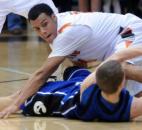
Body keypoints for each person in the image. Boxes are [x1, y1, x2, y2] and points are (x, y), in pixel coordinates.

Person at [1, 3, 142, 118]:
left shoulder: (67, 32)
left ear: (53, 17)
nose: (42, 31)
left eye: (44, 24)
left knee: (119, 71)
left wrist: (17, 104)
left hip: (128, 29)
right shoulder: (55, 30)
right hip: (113, 43)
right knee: (128, 95)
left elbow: (41, 74)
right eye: (37, 29)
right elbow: (78, 59)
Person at [0, 65, 142, 122]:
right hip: (78, 85)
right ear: (121, 85)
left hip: (62, 97)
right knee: (76, 69)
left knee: (17, 97)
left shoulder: (88, 93)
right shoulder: (126, 109)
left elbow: (117, 59)